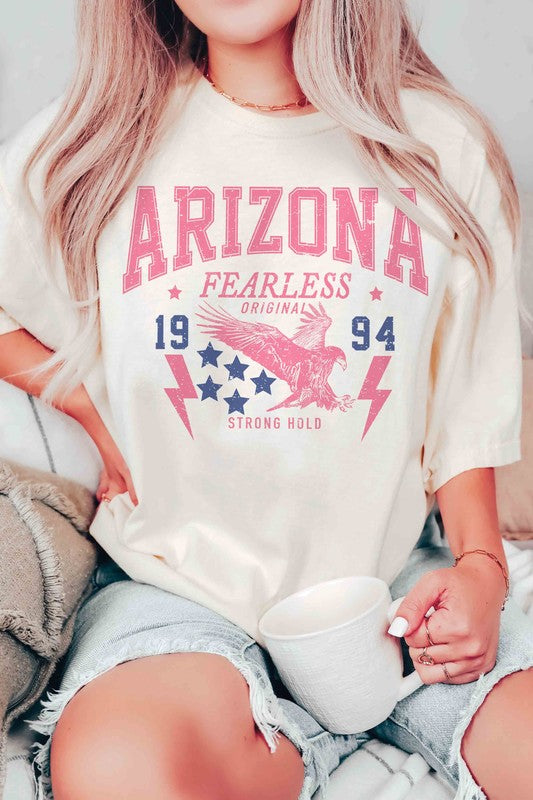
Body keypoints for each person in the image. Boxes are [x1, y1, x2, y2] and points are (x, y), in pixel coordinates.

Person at [1, 1, 532, 798]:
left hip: (389, 588)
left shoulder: (440, 147)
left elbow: (465, 397)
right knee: (117, 770)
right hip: (177, 585)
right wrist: (78, 398)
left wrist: (482, 570)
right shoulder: (92, 143)